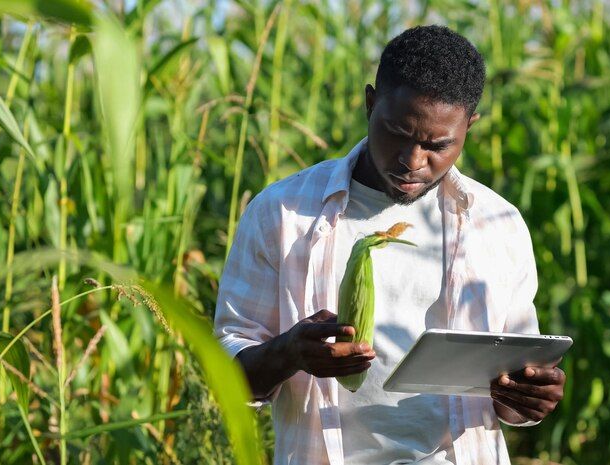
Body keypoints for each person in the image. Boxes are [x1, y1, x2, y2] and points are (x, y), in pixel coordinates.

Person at [214, 25, 565, 465]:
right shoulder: (282, 214)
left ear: (468, 127)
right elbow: (227, 374)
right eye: (397, 132)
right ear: (369, 103)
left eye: (437, 145)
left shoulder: (497, 224)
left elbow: (512, 391)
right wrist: (290, 352)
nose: (412, 161)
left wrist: (530, 399)